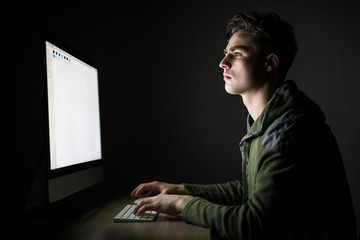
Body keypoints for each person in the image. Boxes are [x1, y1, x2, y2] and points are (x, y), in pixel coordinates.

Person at [131, 12, 357, 239]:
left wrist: (182, 204)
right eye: (226, 53)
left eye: (237, 53)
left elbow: (254, 224)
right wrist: (181, 190)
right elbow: (250, 191)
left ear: (270, 63)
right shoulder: (270, 121)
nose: (223, 63)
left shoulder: (288, 131)